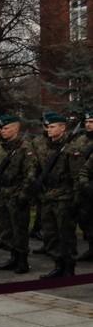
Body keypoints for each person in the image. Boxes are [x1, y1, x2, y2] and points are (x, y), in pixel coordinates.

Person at [38, 113, 84, 277]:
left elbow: (77, 177)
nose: (49, 130)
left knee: (65, 235)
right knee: (50, 234)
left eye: (52, 127)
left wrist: (76, 201)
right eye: (48, 127)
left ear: (63, 128)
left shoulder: (71, 149)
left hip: (65, 198)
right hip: (49, 196)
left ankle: (69, 268)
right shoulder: (48, 147)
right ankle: (58, 265)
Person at [0, 115, 37, 274]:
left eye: (6, 128)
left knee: (19, 229)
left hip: (17, 192)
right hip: (3, 192)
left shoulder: (25, 147)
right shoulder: (1, 147)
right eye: (1, 129)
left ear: (16, 129)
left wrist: (24, 194)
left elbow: (30, 174)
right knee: (5, 227)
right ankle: (13, 256)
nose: (2, 131)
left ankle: (22, 260)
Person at [76, 111, 93, 262]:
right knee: (84, 218)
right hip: (84, 185)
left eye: (92, 122)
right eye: (87, 122)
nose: (88, 125)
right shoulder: (80, 140)